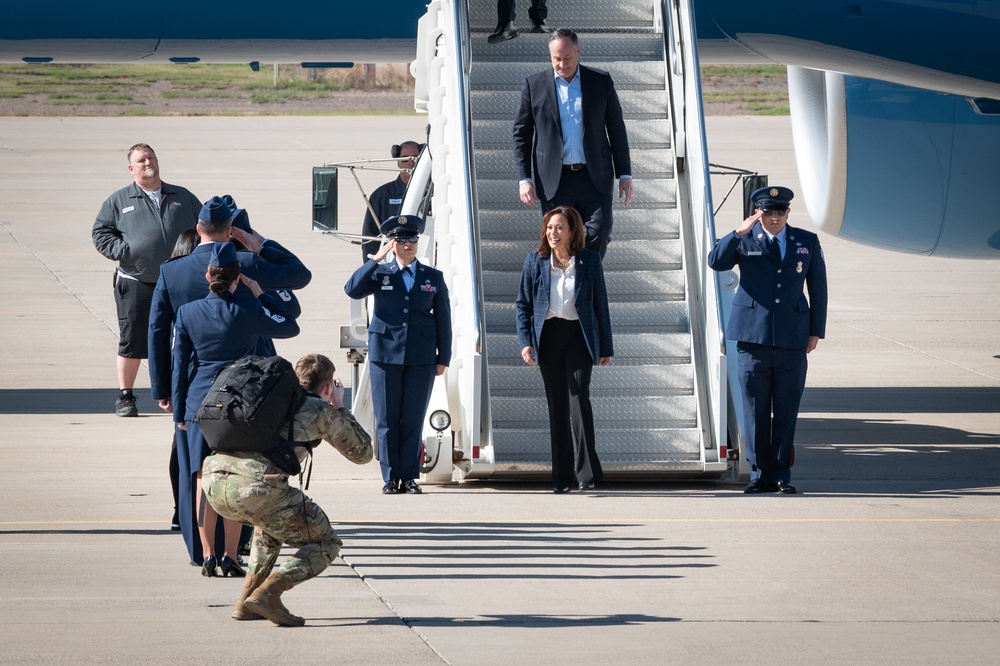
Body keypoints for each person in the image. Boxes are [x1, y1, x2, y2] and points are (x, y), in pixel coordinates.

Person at [148, 196, 311, 557]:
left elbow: (158, 333)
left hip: (194, 387)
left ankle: (201, 550)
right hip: (248, 389)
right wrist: (259, 243)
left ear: (198, 229)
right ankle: (237, 546)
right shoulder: (248, 261)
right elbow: (300, 275)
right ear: (230, 230)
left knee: (198, 471)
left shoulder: (171, 272)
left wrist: (163, 390)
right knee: (244, 466)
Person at [201, 353, 373, 626]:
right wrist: (338, 405)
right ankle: (269, 593)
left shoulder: (269, 399)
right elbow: (362, 453)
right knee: (327, 543)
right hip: (256, 487)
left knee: (270, 526)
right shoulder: (318, 409)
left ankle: (246, 602)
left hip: (214, 481)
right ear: (327, 386)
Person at [171, 242, 300, 575]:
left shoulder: (187, 313)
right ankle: (230, 555)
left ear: (207, 275)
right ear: (236, 277)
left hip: (199, 402)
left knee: (202, 477)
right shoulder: (249, 309)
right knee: (235, 477)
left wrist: (179, 416)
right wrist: (259, 294)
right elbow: (289, 324)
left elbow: (179, 366)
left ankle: (208, 554)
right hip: (239, 404)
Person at [707, 186, 828, 495]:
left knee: (787, 409)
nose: (775, 218)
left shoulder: (806, 241)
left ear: (788, 213)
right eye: (768, 212)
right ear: (757, 213)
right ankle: (760, 474)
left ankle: (782, 474)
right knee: (755, 411)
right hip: (752, 338)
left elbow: (818, 287)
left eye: (780, 212)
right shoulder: (744, 239)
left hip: (792, 337)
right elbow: (716, 261)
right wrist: (738, 231)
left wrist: (815, 330)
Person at [344, 215, 452, 495]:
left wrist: (444, 357)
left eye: (412, 240)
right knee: (388, 419)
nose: (408, 245)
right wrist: (375, 260)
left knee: (413, 418)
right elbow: (352, 289)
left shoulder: (432, 276)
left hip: (421, 355)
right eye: (401, 240)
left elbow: (444, 319)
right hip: (385, 355)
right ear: (392, 244)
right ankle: (390, 477)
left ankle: (410, 476)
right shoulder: (380, 273)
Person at [92, 143, 200, 417]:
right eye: (141, 160)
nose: (147, 162)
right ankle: (126, 396)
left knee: (182, 338)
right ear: (131, 169)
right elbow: (101, 233)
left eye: (150, 157)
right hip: (137, 281)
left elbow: (203, 227)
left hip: (178, 281)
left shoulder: (183, 196)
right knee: (133, 339)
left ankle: (178, 394)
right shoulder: (118, 201)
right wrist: (126, 252)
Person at [515, 206, 613, 493]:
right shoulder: (535, 261)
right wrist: (526, 343)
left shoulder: (590, 261)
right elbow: (523, 305)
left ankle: (587, 473)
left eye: (559, 228)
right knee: (557, 404)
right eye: (549, 228)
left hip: (579, 336)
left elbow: (600, 306)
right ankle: (561, 478)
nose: (553, 233)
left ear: (572, 231)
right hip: (548, 336)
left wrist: (605, 347)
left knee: (578, 396)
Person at [512, 29, 633, 258]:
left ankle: (583, 277)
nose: (561, 64)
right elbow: (521, 135)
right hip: (555, 181)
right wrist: (524, 179)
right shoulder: (533, 85)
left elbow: (616, 129)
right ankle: (570, 285)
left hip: (594, 175)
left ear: (578, 52)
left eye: (567, 58)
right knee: (559, 238)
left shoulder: (600, 81)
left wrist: (624, 174)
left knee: (600, 230)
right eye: (556, 58)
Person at [360, 141, 421, 262]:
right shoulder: (381, 196)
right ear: (398, 162)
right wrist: (371, 270)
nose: (410, 163)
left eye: (415, 158)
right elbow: (369, 238)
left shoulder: (435, 194)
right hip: (390, 264)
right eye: (405, 159)